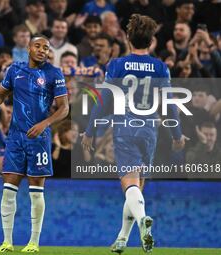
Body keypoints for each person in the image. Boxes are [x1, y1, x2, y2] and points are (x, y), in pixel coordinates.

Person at [81, 14, 187, 253]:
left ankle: (143, 221)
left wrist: (90, 130)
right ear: (151, 41)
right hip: (150, 130)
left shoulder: (117, 65)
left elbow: (104, 99)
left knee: (129, 186)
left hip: (125, 128)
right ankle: (122, 239)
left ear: (128, 38)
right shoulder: (161, 67)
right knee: (136, 188)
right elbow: (170, 104)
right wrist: (177, 135)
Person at [0, 34, 69, 252]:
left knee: (36, 191)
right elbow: (0, 97)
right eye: (37, 46)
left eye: (45, 48)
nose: (41, 50)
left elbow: (64, 108)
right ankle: (7, 242)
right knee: (8, 189)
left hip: (38, 139)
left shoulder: (54, 74)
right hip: (15, 138)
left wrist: (45, 124)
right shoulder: (14, 70)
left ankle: (33, 242)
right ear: (28, 48)